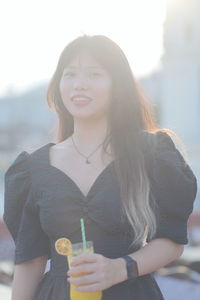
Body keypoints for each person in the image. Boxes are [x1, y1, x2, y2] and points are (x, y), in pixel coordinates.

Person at [3, 34, 197, 300]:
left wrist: (120, 268)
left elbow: (172, 241)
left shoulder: (151, 153)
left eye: (94, 74)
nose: (79, 85)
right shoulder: (33, 169)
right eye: (70, 74)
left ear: (118, 85)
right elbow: (30, 261)